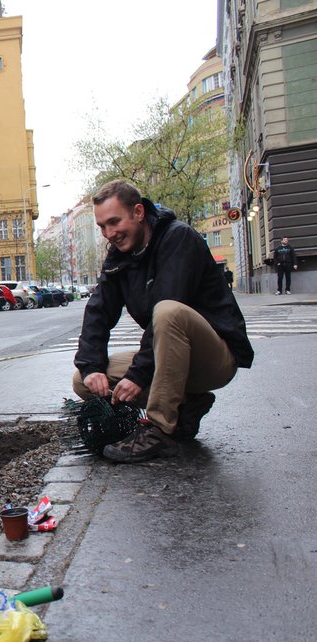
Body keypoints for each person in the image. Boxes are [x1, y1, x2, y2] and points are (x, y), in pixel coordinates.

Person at [73, 180, 254, 463]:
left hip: (214, 358)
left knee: (168, 311)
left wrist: (138, 375)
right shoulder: (120, 255)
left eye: (114, 222)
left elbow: (167, 308)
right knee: (84, 381)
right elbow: (98, 311)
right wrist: (91, 366)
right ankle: (188, 404)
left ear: (138, 212)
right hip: (170, 357)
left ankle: (159, 430)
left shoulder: (178, 239)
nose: (109, 233)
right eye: (102, 227)